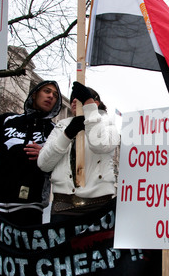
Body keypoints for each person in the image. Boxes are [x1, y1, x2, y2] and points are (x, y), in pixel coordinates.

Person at [0, 80, 62, 226]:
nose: (51, 97)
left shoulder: (56, 132)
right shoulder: (8, 121)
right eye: (47, 91)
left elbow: (64, 166)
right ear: (34, 94)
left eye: (55, 95)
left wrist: (46, 154)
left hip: (31, 207)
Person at [38, 81, 120, 221]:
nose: (75, 101)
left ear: (96, 103)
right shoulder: (61, 126)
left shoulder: (108, 125)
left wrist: (89, 108)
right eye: (73, 99)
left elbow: (100, 145)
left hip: (98, 205)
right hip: (63, 205)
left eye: (81, 97)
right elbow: (44, 164)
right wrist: (66, 135)